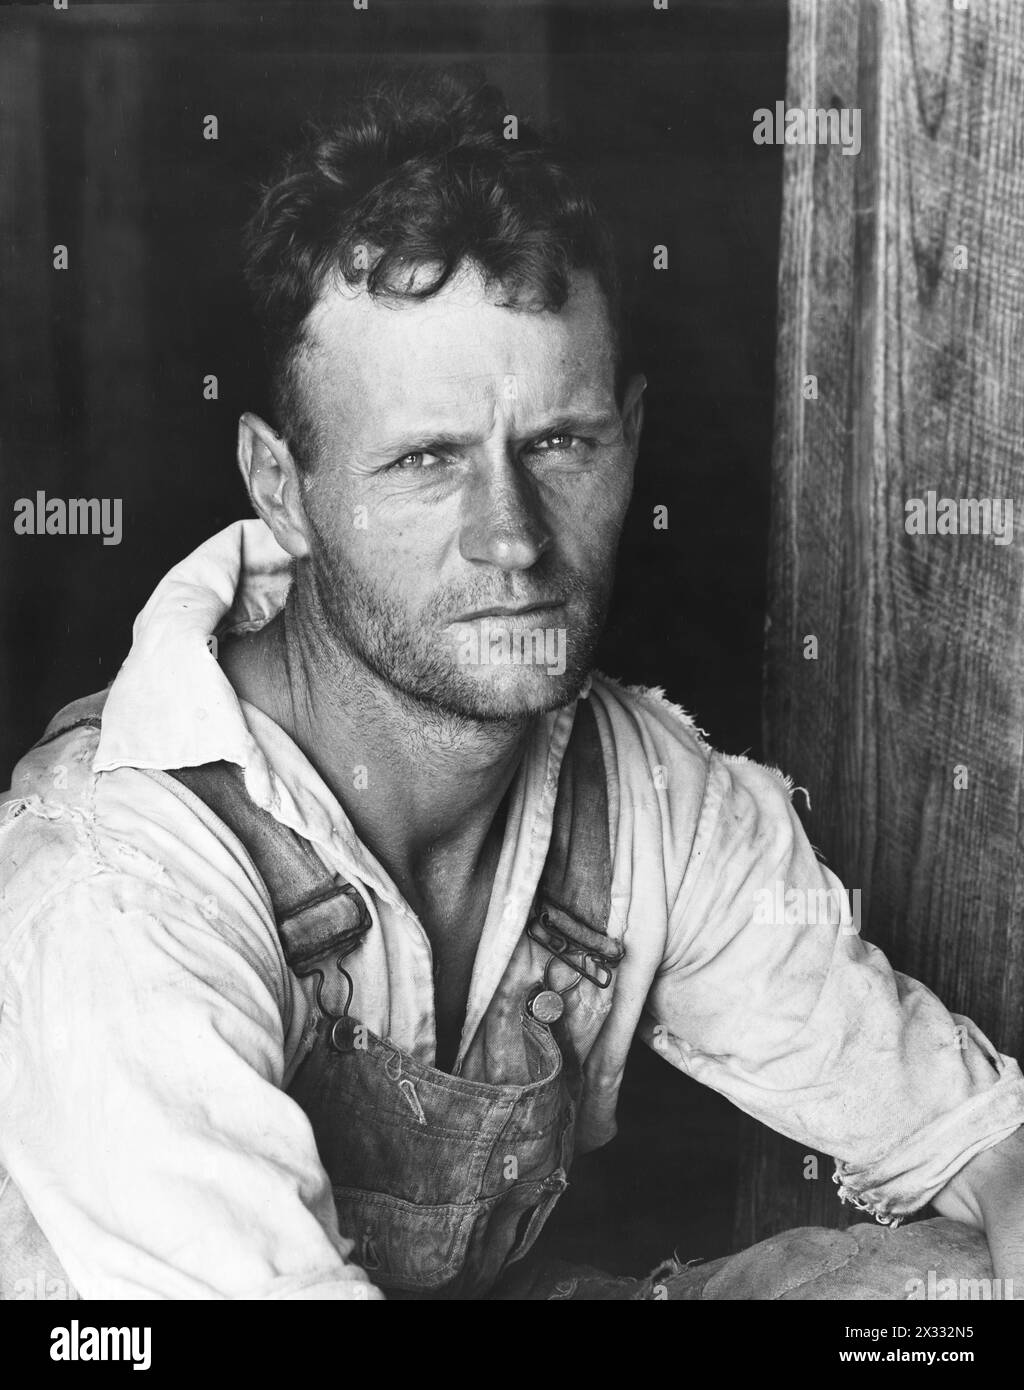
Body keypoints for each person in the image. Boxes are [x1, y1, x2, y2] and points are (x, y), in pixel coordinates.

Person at [1, 72, 1023, 1302]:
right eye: (427, 460)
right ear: (281, 484)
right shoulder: (114, 887)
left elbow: (974, 1138)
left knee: (948, 1296)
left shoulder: (643, 793)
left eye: (556, 444)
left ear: (628, 437)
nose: (514, 537)